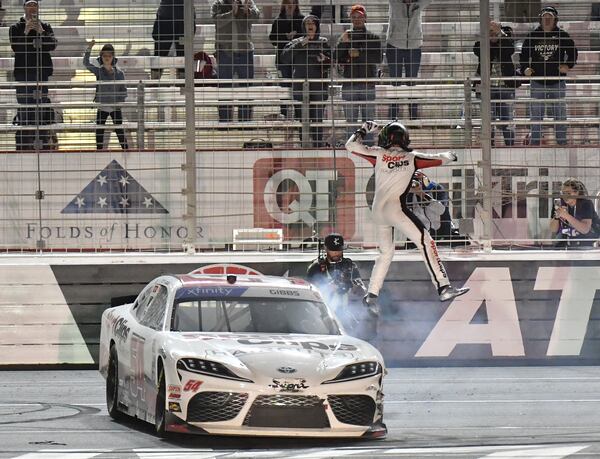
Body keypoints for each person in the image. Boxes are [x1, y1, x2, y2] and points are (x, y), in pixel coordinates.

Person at [346, 120, 469, 308]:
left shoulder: (378, 154)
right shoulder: (412, 157)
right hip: (396, 209)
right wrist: (451, 155)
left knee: (385, 254)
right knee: (426, 242)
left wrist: (363, 129)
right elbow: (439, 158)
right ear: (405, 139)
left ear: (385, 138)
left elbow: (350, 146)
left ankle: (372, 294)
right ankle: (443, 287)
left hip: (377, 211)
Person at [519, 6, 577, 146]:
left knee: (560, 115)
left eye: (550, 17)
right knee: (536, 116)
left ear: (555, 20)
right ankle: (535, 143)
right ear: (540, 19)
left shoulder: (562, 35)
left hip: (557, 81)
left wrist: (568, 65)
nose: (547, 19)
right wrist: (525, 68)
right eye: (544, 17)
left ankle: (562, 143)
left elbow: (573, 52)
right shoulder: (533, 36)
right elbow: (524, 56)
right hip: (537, 81)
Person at [9, 0, 57, 150]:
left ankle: (42, 142)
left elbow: (53, 45)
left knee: (40, 108)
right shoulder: (15, 28)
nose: (32, 8)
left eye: (34, 5)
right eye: (29, 5)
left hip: (41, 73)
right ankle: (24, 145)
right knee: (25, 108)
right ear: (24, 7)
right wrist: (26, 32)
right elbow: (16, 47)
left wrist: (41, 31)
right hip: (23, 74)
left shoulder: (46, 26)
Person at [307, 233, 378, 330]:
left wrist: (354, 286)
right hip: (322, 315)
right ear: (326, 249)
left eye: (339, 250)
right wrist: (331, 286)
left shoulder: (349, 265)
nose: (336, 253)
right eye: (333, 250)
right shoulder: (316, 267)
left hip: (344, 313)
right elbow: (310, 293)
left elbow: (362, 291)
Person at [334, 4, 383, 144]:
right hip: (349, 84)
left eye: (360, 17)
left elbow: (378, 58)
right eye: (354, 17)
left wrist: (359, 54)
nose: (357, 20)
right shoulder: (345, 36)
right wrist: (343, 44)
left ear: (365, 18)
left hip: (368, 84)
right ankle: (352, 147)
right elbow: (336, 56)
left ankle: (368, 148)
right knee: (351, 122)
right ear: (350, 19)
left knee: (368, 121)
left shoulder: (374, 38)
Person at [281, 14, 331, 147]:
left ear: (317, 26)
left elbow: (332, 62)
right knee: (302, 118)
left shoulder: (323, 42)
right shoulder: (296, 42)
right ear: (303, 26)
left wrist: (324, 60)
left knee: (317, 119)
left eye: (313, 23)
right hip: (300, 86)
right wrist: (302, 44)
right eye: (307, 22)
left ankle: (318, 145)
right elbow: (285, 58)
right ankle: (303, 145)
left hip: (319, 87)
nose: (310, 25)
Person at [211, 0, 260, 123]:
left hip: (245, 51)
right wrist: (232, 13)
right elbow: (216, 21)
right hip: (225, 52)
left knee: (247, 88)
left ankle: (245, 121)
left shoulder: (247, 2)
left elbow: (257, 16)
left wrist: (247, 11)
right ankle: (225, 121)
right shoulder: (218, 4)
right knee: (224, 87)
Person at [473, 20, 518, 146]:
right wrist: (487, 36)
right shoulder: (484, 42)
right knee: (488, 119)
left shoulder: (506, 37)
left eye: (495, 31)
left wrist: (500, 34)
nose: (493, 34)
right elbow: (477, 50)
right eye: (490, 31)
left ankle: (510, 145)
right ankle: (488, 146)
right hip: (487, 87)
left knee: (507, 119)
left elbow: (509, 50)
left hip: (505, 87)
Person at [385, 0, 432, 121]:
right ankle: (393, 117)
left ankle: (413, 117)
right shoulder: (394, 2)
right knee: (395, 83)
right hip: (394, 45)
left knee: (412, 83)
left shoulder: (419, 3)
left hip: (414, 46)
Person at [83, 40, 129, 150]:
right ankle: (99, 152)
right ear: (101, 57)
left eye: (109, 55)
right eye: (104, 56)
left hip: (115, 107)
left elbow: (124, 91)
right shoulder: (99, 71)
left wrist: (118, 102)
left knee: (119, 131)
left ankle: (127, 151)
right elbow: (86, 63)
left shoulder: (119, 74)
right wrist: (89, 48)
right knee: (99, 132)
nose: (107, 58)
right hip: (102, 106)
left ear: (113, 57)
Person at [269, 0, 304, 118]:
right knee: (284, 89)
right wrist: (285, 36)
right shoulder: (278, 20)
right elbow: (272, 39)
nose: (290, 5)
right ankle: (284, 116)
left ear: (296, 5)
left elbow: (308, 38)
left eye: (293, 2)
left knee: (297, 89)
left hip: (298, 61)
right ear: (283, 4)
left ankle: (298, 117)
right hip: (282, 61)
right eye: (288, 2)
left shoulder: (302, 20)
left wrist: (296, 36)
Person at [151, 0, 196, 80]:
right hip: (173, 16)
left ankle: (184, 83)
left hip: (180, 17)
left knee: (183, 52)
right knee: (162, 52)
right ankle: (155, 82)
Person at [550, 179, 599, 248]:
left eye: (568, 193)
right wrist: (556, 216)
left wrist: (566, 216)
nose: (565, 196)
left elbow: (585, 230)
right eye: (563, 193)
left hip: (585, 241)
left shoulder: (586, 203)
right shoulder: (559, 203)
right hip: (565, 241)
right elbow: (553, 229)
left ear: (577, 193)